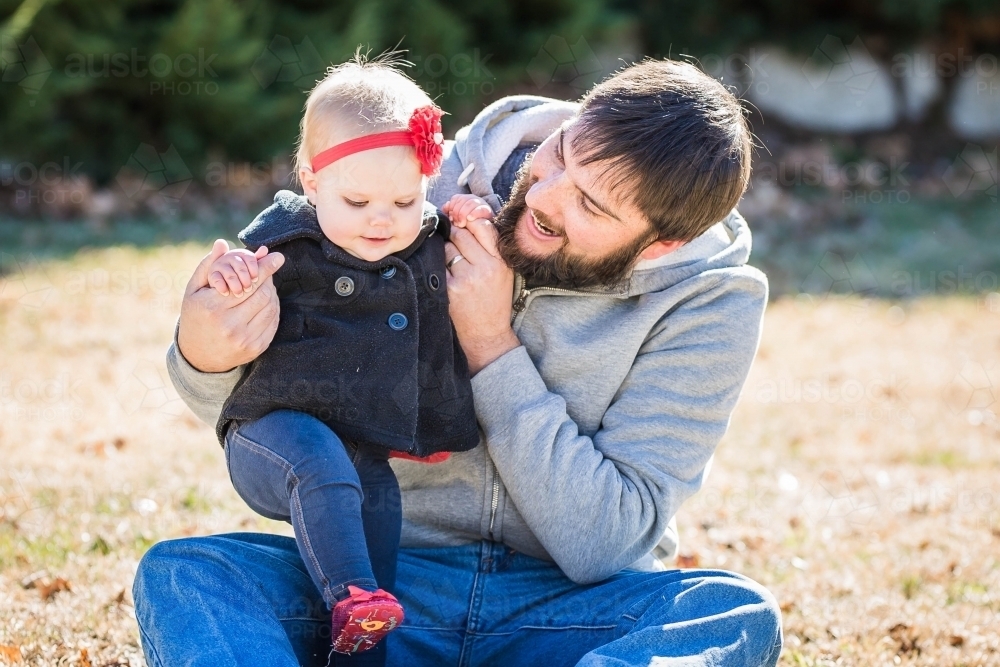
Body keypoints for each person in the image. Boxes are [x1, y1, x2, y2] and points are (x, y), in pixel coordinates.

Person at [134, 58, 783, 667]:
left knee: (731, 612)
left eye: (590, 205)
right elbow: (267, 420)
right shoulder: (410, 190)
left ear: (661, 242)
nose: (545, 197)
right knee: (190, 574)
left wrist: (491, 345)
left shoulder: (711, 299)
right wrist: (207, 355)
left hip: (563, 609)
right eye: (559, 155)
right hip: (385, 579)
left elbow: (605, 542)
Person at [201, 56, 499, 662]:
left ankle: (362, 635)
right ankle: (354, 596)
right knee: (318, 463)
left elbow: (443, 281)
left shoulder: (425, 237)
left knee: (378, 510)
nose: (382, 220)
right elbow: (238, 277)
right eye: (357, 201)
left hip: (359, 447)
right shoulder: (287, 242)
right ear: (312, 182)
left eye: (404, 199)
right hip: (272, 432)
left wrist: (465, 215)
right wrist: (232, 276)